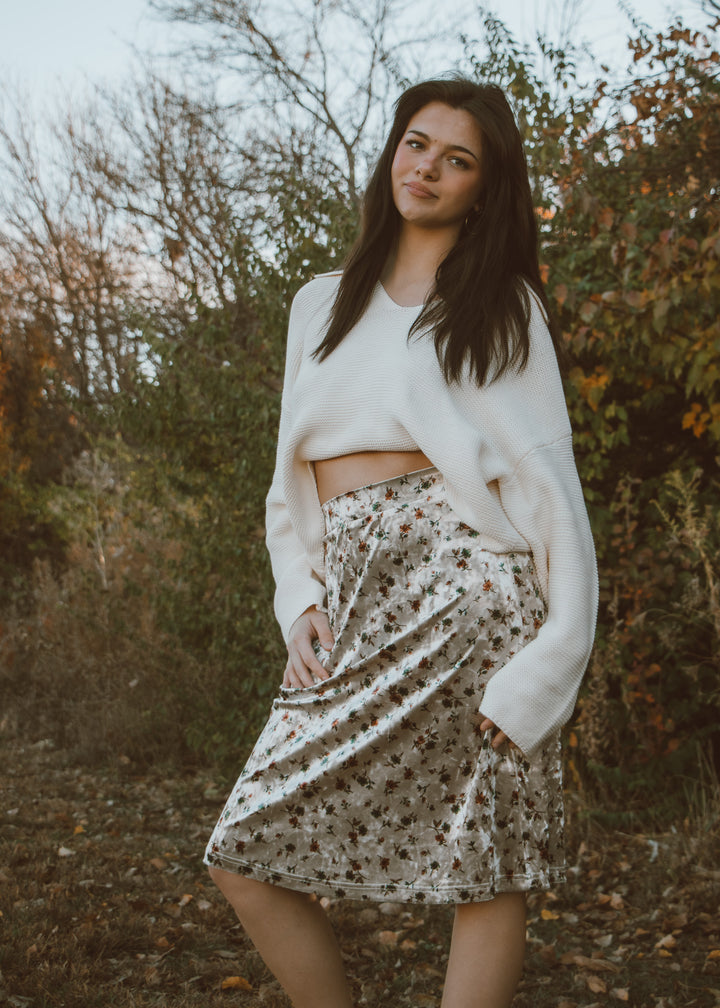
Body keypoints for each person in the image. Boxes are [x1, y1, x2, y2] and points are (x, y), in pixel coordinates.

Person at [204, 77, 598, 1008]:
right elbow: (286, 479)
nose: (427, 168)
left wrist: (553, 660)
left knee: (485, 851)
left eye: (456, 159)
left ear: (482, 186)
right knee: (243, 852)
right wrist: (298, 597)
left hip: (466, 590)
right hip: (349, 586)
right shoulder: (319, 303)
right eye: (417, 144)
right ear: (393, 152)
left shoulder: (501, 306)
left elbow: (550, 486)